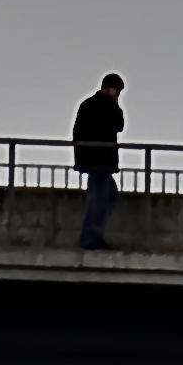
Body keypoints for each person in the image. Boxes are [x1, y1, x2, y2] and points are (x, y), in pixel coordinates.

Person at [72, 71, 125, 249]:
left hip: (99, 161)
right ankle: (90, 238)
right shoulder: (98, 105)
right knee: (99, 198)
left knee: (108, 195)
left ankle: (94, 234)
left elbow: (118, 125)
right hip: (98, 161)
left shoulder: (91, 104)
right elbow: (118, 123)